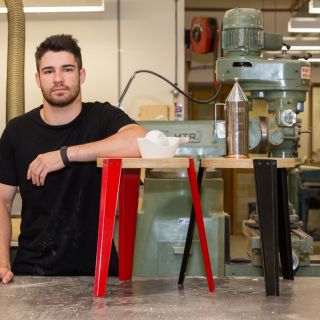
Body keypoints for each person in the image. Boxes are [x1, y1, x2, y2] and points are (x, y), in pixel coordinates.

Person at [0, 34, 147, 284]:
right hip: (33, 274)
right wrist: (3, 261)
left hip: (99, 274)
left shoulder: (102, 118)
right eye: (48, 71)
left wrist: (65, 155)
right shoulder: (17, 131)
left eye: (67, 69)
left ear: (82, 75)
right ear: (38, 79)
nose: (58, 79)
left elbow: (141, 141)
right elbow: (2, 203)